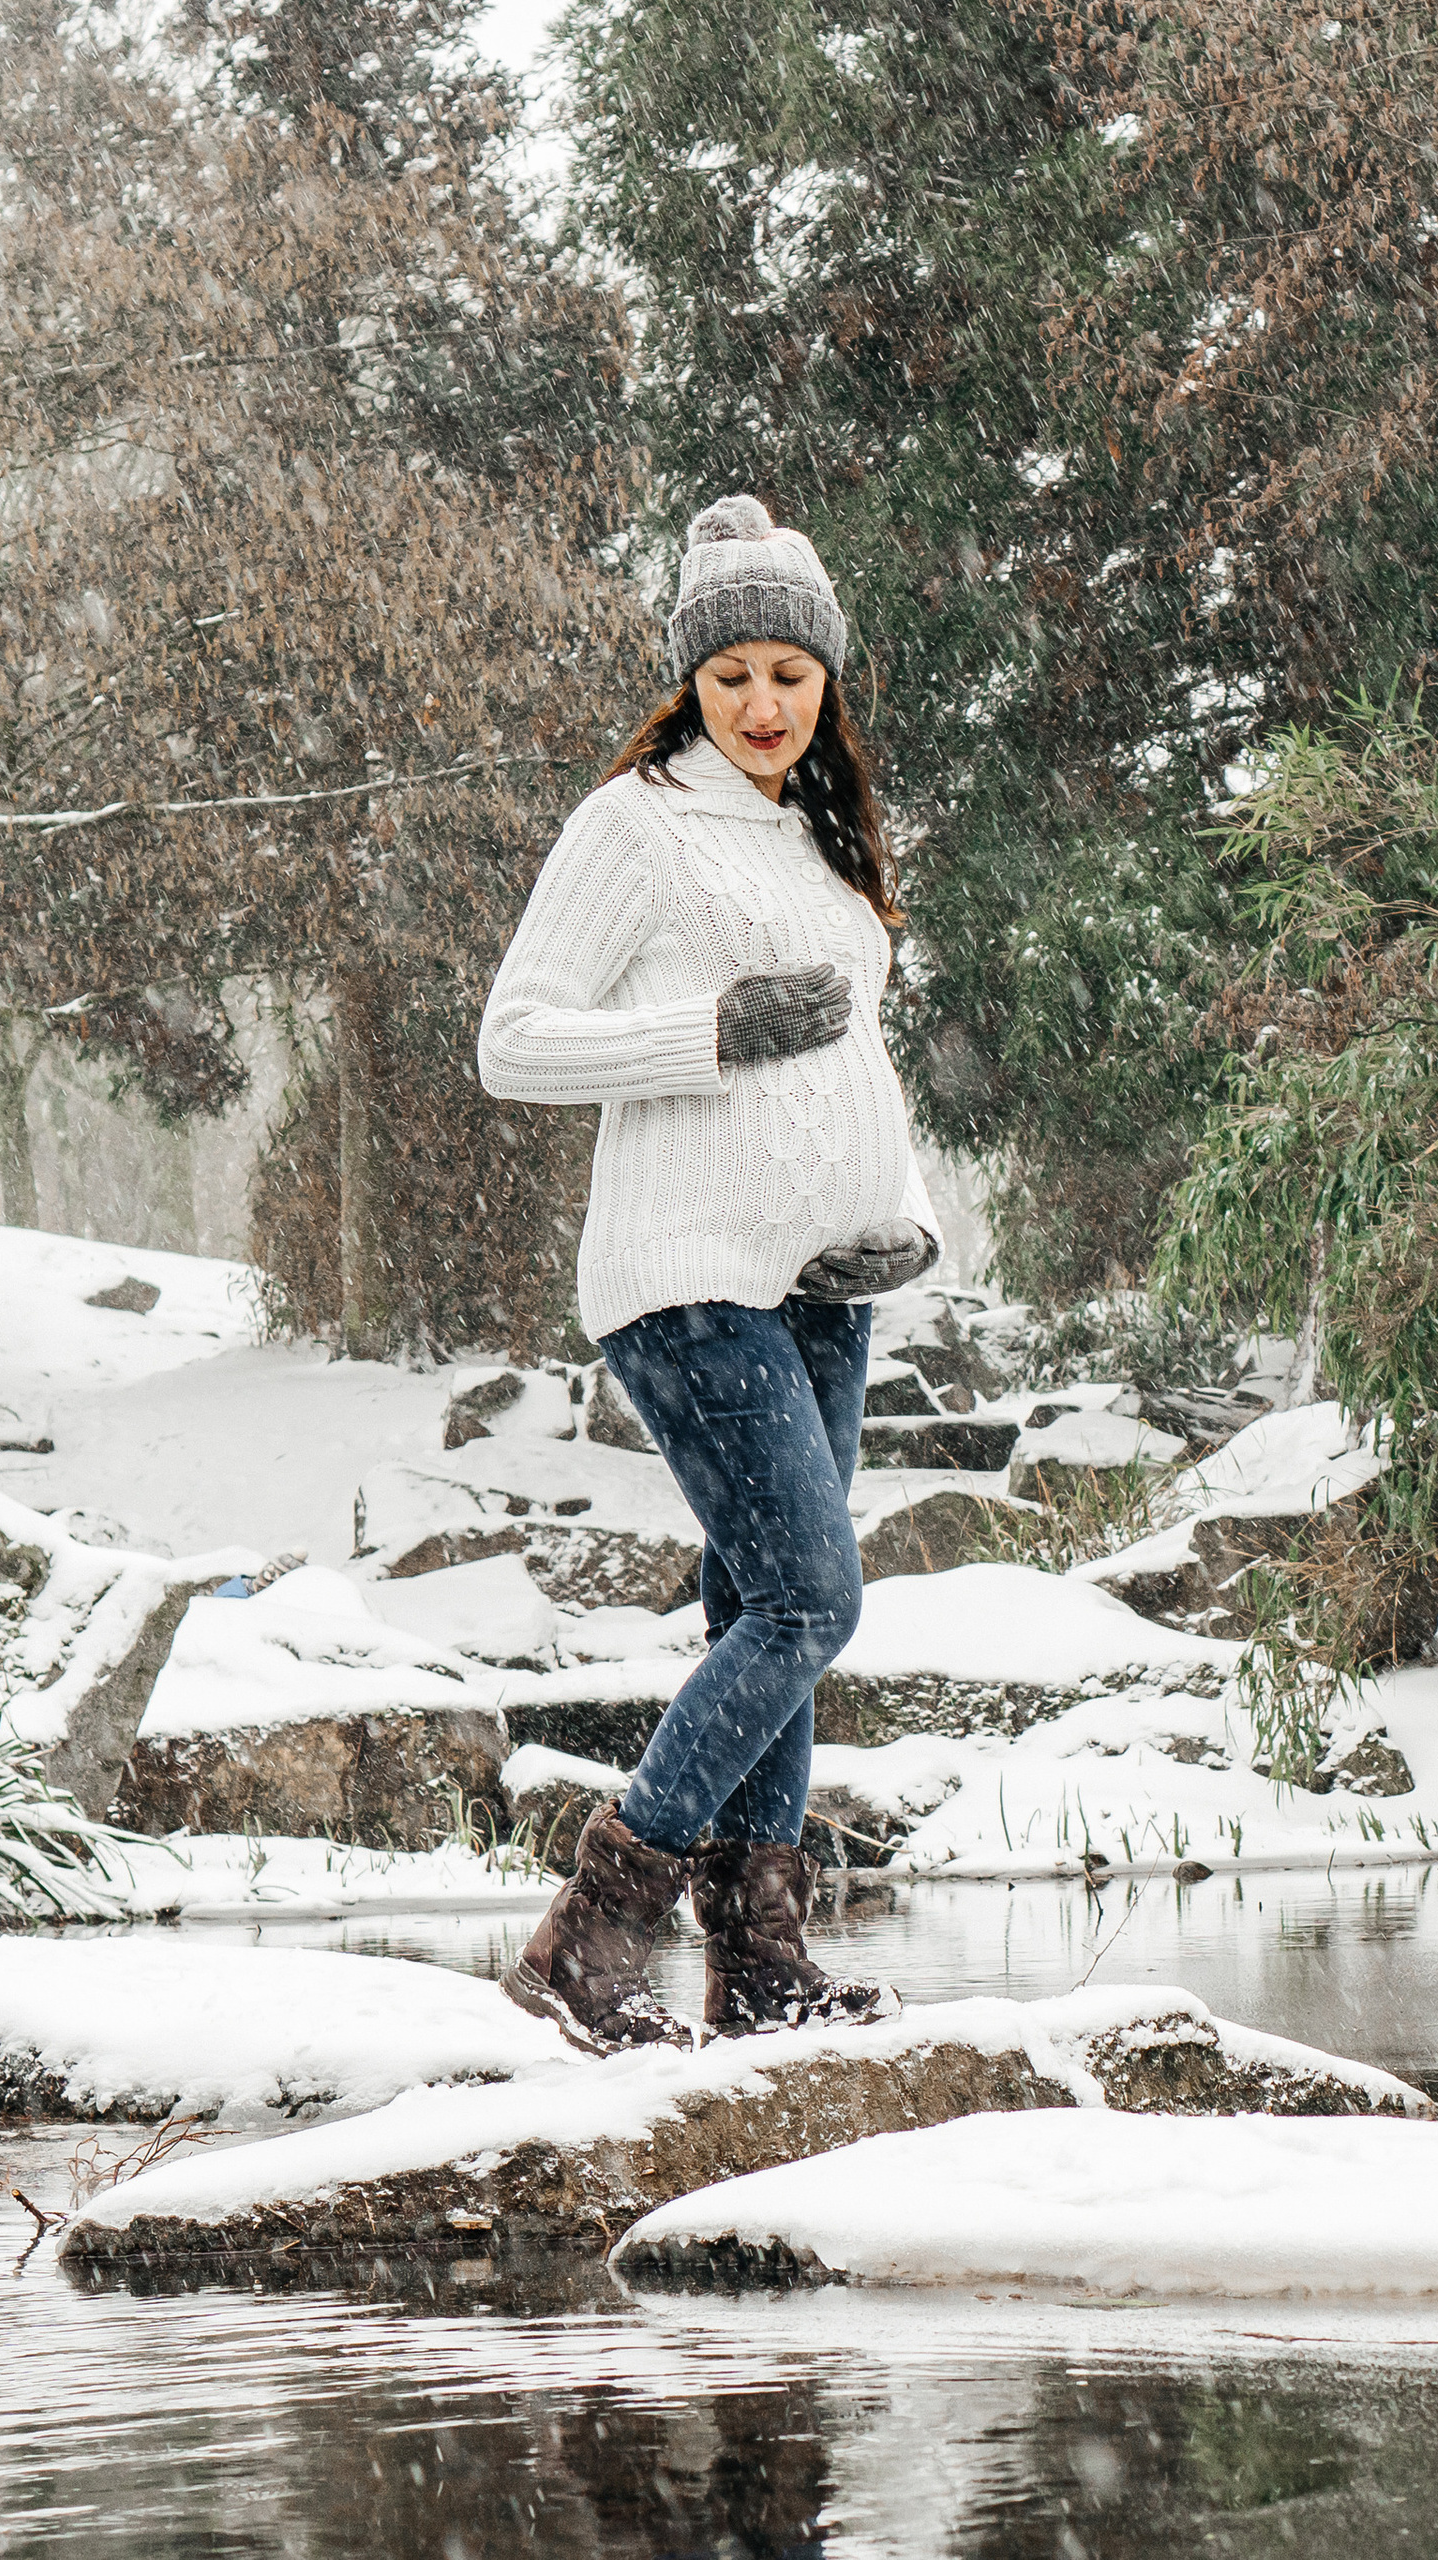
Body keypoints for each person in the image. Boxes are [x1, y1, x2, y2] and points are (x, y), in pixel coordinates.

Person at [476, 493, 935, 2053]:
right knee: (812, 1601)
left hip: (821, 1284)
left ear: (827, 686)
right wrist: (709, 1034)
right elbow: (514, 1041)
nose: (762, 705)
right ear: (691, 681)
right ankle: (593, 1933)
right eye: (731, 674)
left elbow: (862, 1059)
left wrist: (904, 1212)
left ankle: (762, 1963)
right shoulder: (637, 824)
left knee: (762, 1603)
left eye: (790, 677)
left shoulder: (823, 834)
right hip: (686, 1275)